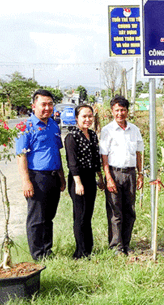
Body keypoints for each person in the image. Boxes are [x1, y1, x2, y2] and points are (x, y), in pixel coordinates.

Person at [16, 89, 66, 261]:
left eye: (50, 104)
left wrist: (61, 176)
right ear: (34, 106)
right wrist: (26, 181)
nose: (47, 108)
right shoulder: (26, 127)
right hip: (36, 177)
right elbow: (21, 155)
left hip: (52, 176)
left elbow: (57, 152)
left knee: (49, 217)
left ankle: (47, 250)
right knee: (36, 218)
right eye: (43, 104)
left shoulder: (53, 125)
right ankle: (38, 255)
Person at [100, 95, 144, 256]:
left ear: (127, 111)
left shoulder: (134, 130)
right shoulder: (107, 130)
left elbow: (139, 153)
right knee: (115, 211)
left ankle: (126, 244)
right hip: (114, 173)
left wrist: (140, 174)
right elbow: (104, 156)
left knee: (129, 211)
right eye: (117, 110)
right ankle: (115, 247)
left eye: (123, 110)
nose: (120, 113)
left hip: (131, 173)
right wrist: (108, 178)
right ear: (112, 111)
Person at [64, 104, 105, 259]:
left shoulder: (93, 135)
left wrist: (100, 177)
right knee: (80, 216)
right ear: (76, 118)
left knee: (88, 215)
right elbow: (72, 162)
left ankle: (88, 248)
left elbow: (96, 159)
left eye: (90, 116)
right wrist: (78, 183)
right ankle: (80, 252)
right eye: (84, 116)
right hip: (78, 179)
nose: (87, 119)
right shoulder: (71, 137)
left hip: (90, 178)